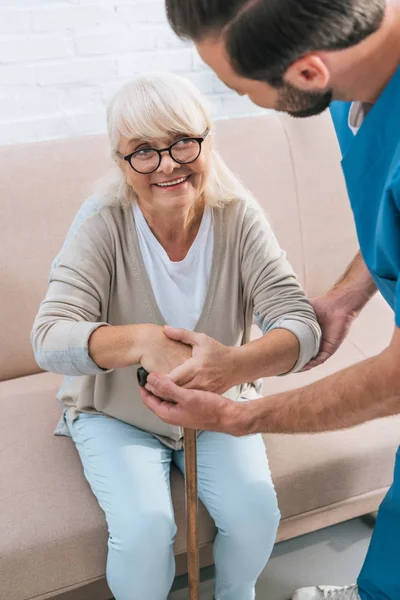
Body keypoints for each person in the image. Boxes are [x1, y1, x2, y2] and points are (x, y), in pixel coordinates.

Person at [139, 2, 400, 599]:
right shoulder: (357, 78)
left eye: (238, 87)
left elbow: (396, 378)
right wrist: (346, 297)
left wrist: (237, 415)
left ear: (308, 73)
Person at [31, 73, 321, 600]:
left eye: (182, 141)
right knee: (144, 533)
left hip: (216, 405)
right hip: (116, 414)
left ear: (207, 140)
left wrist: (231, 368)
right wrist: (142, 341)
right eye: (143, 151)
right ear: (121, 163)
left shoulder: (238, 216)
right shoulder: (102, 222)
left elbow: (300, 324)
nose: (167, 163)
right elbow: (49, 337)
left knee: (257, 514)